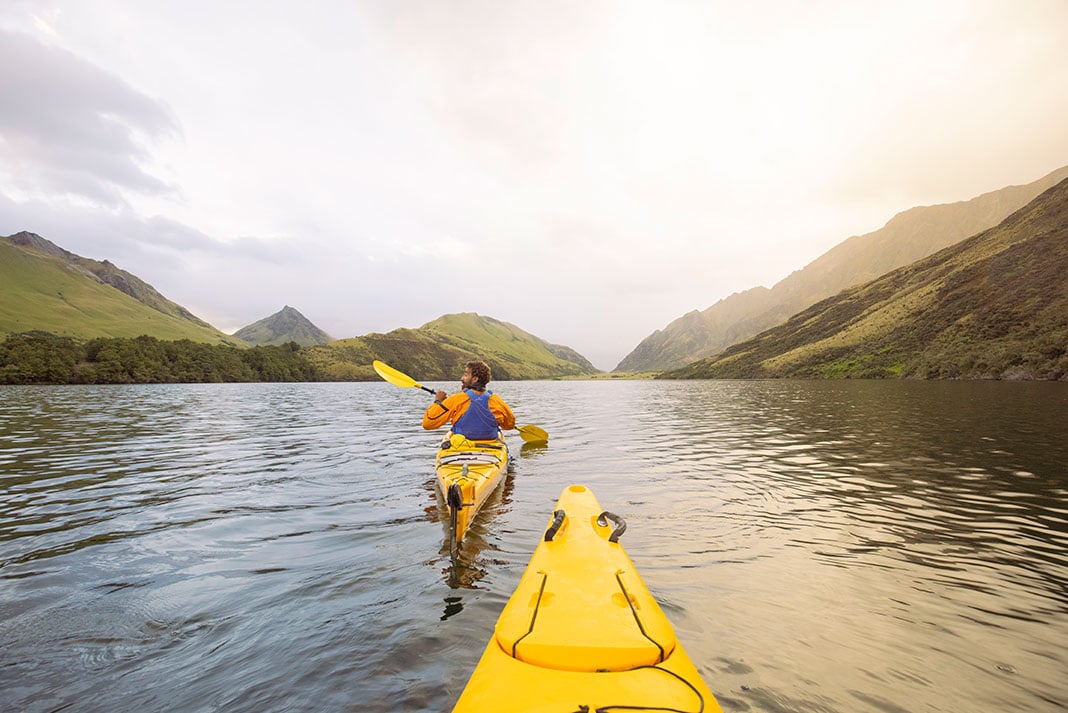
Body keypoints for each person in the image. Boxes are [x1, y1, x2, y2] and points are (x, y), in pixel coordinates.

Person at [422, 360, 515, 440]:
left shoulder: (456, 399)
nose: (462, 378)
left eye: (466, 375)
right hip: (490, 447)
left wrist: (438, 401)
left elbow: (428, 423)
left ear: (474, 379)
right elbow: (510, 425)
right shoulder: (496, 400)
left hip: (461, 446)